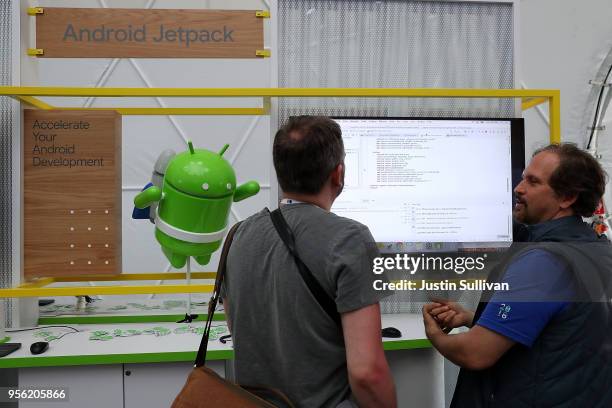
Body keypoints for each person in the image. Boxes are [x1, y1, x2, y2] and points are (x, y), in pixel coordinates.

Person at [222, 116, 397, 408]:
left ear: (280, 173)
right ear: (338, 173)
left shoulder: (237, 236)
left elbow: (238, 328)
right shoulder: (351, 238)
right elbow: (367, 373)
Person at [423, 143, 612, 407]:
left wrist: (435, 336)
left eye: (533, 182)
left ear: (567, 197)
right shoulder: (596, 249)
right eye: (523, 178)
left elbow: (475, 353)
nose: (518, 188)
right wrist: (474, 319)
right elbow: (564, 330)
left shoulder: (544, 262)